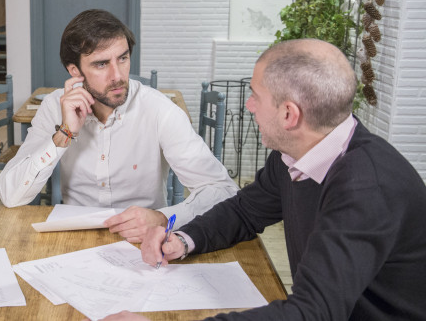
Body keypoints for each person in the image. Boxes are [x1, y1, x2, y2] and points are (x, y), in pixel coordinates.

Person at [107, 38, 426, 320]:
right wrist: (183, 240)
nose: (249, 106)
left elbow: (314, 312)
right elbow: (244, 211)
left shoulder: (367, 189)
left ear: (289, 115)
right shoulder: (296, 154)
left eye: (255, 96)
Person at [0, 9, 238, 242]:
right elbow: (11, 196)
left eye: (122, 58)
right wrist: (65, 133)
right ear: (75, 71)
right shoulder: (54, 106)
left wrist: (162, 218)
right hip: (74, 240)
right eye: (101, 64)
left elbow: (223, 191)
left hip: (144, 240)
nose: (118, 76)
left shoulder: (159, 110)